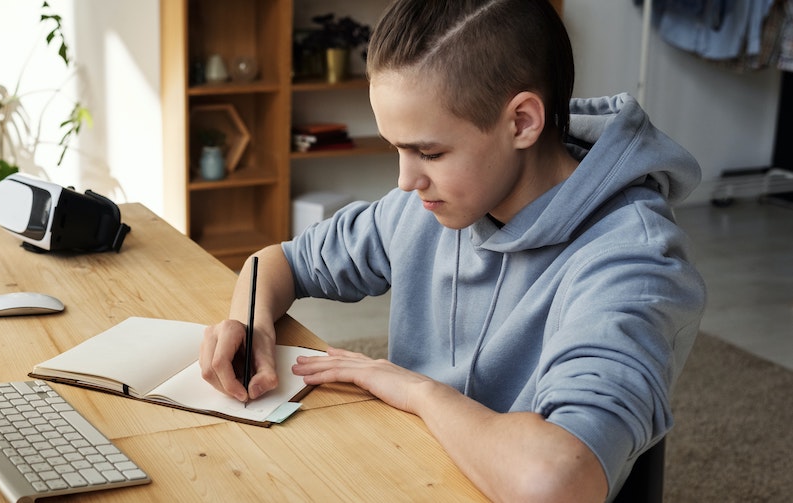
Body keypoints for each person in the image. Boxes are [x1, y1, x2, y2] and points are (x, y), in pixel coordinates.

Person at [198, 0, 707, 501]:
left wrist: (417, 391)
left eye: (430, 152)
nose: (405, 180)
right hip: (413, 469)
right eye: (396, 148)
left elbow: (558, 481)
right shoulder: (431, 204)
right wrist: (253, 324)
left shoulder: (632, 262)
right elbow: (276, 262)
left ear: (523, 122)